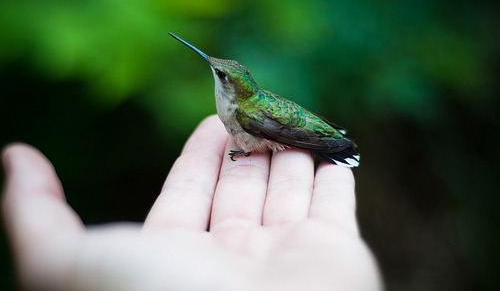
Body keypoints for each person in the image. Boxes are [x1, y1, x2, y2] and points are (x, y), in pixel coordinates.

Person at [2, 115, 383, 290]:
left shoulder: (245, 111)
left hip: (282, 134)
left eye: (221, 77)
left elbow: (280, 131)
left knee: (296, 139)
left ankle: (332, 141)